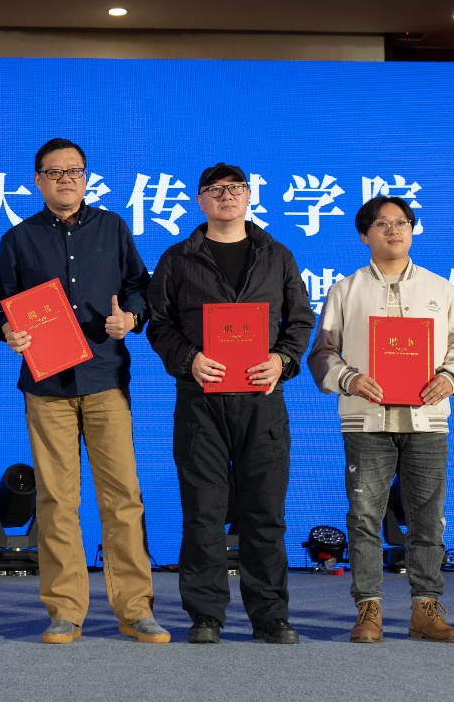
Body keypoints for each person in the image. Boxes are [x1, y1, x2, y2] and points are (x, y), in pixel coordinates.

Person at [0, 137, 169, 645]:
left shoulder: (112, 227)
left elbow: (139, 285)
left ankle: (135, 609)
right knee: (56, 501)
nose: (65, 179)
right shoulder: (18, 239)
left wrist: (130, 316)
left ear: (86, 178)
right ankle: (65, 611)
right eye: (54, 172)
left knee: (123, 497)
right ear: (38, 181)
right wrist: (7, 329)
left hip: (105, 377)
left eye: (74, 171)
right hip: (47, 385)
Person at [146, 162, 315, 644]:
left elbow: (300, 320)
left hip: (262, 400)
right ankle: (205, 615)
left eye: (236, 188)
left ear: (248, 195)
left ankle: (271, 615)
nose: (227, 196)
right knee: (203, 511)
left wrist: (282, 359)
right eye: (215, 190)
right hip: (201, 401)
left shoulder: (277, 255)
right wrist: (189, 359)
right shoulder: (178, 258)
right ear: (200, 200)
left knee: (265, 511)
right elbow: (159, 324)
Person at [307, 196, 454, 643]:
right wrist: (349, 379)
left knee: (428, 518)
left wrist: (450, 378)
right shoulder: (345, 290)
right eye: (382, 224)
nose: (394, 230)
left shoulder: (440, 289)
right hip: (367, 422)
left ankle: (425, 609)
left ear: (412, 230)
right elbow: (322, 354)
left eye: (402, 222)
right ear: (365, 235)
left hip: (427, 422)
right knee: (365, 516)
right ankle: (369, 609)